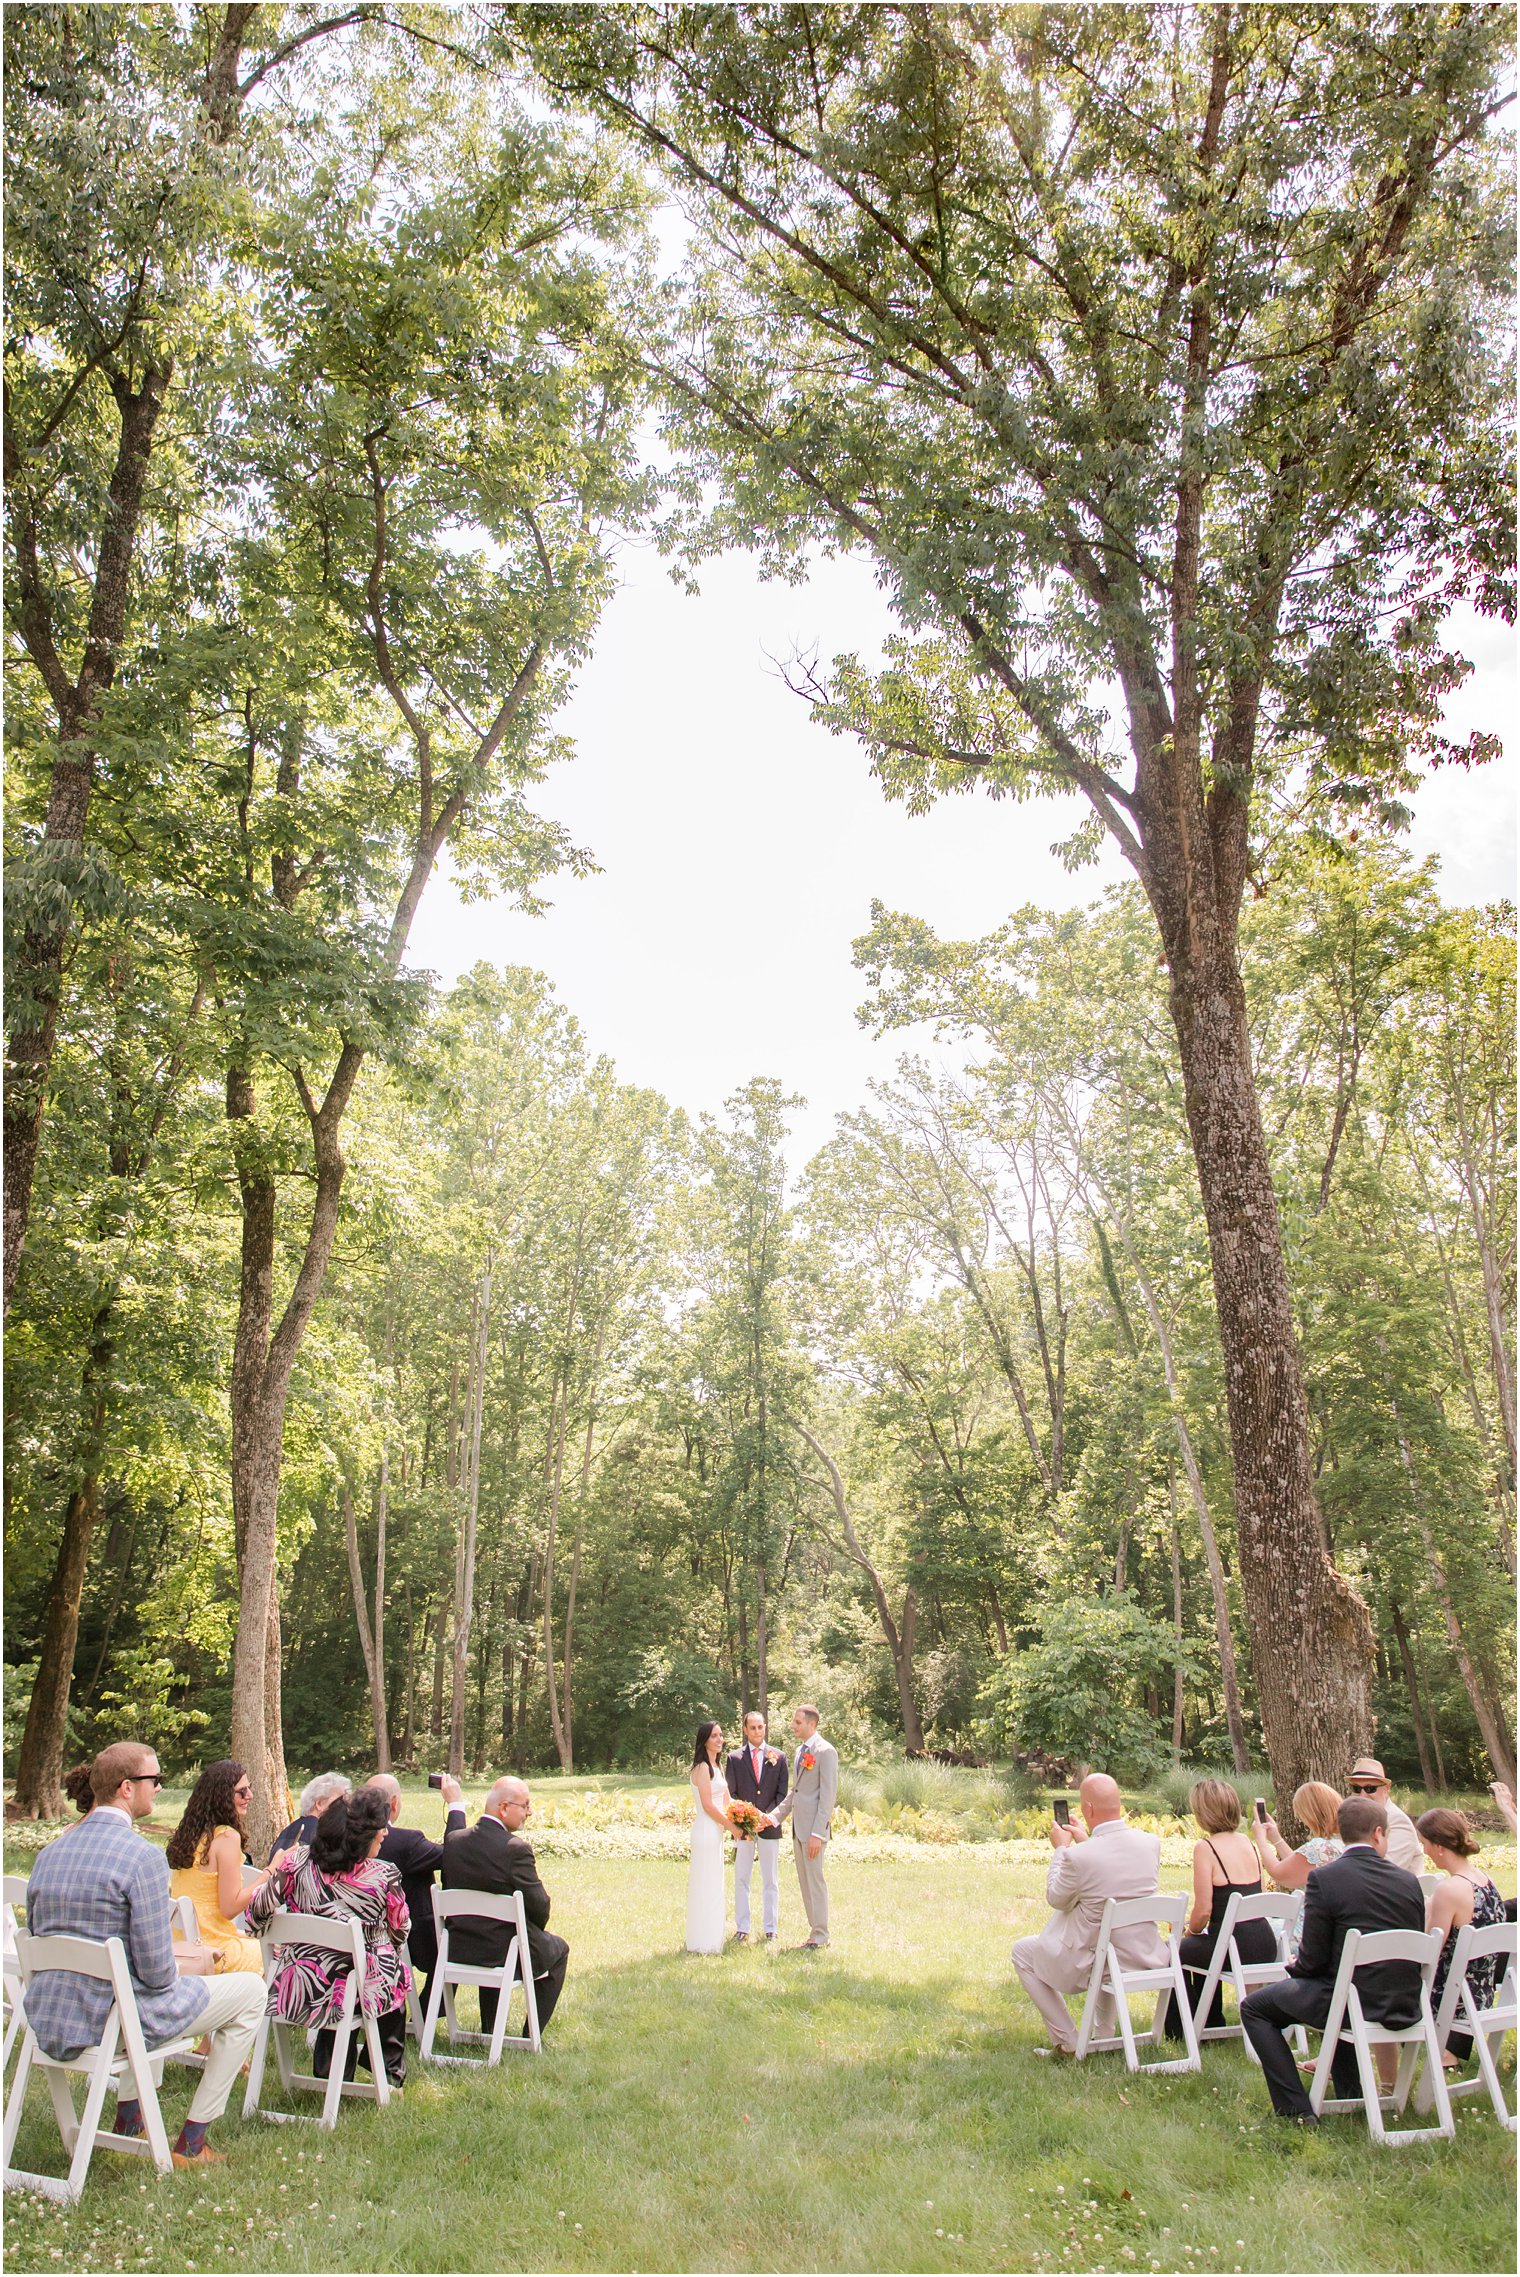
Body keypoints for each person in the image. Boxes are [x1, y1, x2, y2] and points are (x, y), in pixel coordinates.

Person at [22, 1741, 267, 2168]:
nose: (158, 1787)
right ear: (126, 1788)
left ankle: (130, 2118)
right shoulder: (141, 1858)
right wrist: (189, 1966)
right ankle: (192, 2142)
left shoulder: (48, 1855)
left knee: (143, 1994)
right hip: (113, 2021)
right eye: (154, 1779)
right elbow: (156, 1976)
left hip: (53, 2018)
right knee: (249, 1991)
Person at [1239, 1792, 1426, 2124]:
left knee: (1255, 2008)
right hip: (1405, 2000)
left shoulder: (1324, 1879)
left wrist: (1296, 1969)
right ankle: (1351, 2094)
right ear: (1379, 1833)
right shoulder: (1409, 1882)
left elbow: (1311, 1960)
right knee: (1335, 1988)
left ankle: (1295, 2109)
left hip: (1349, 2002)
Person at [243, 1785, 412, 2090]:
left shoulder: (294, 1863)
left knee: (343, 1975)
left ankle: (332, 2069)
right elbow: (400, 1928)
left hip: (294, 1986)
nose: (385, 1833)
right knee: (388, 1974)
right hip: (360, 1989)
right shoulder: (383, 1875)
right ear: (359, 1835)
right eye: (379, 1828)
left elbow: (256, 1910)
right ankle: (389, 2071)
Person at [1010, 1772, 1166, 2057]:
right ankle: (1103, 2034)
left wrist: (1060, 1849)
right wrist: (1086, 1840)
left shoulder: (1077, 1857)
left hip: (1095, 1960)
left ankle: (1068, 2040)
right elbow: (1111, 1870)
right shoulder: (1149, 1844)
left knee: (1022, 1951)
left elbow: (1056, 1898)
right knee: (1110, 1940)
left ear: (1089, 1809)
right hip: (1143, 1955)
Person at [438, 1777, 569, 2036]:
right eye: (526, 1805)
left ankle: (490, 2029)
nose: (529, 1812)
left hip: (455, 1948)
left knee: (499, 1935)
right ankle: (530, 2036)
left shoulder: (454, 1840)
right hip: (499, 1952)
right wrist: (534, 1928)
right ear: (505, 1807)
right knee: (559, 1950)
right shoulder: (515, 1849)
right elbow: (540, 1905)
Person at [1162, 1778, 1277, 2041]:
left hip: (1233, 1947)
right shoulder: (1247, 1843)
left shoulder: (1207, 1848)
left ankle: (1180, 2029)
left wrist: (1188, 1931)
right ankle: (1211, 2022)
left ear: (1203, 1814)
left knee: (1176, 1951)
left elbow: (1203, 1910)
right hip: (1263, 1941)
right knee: (1201, 1949)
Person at [167, 1759, 284, 1972]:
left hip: (183, 1946)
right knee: (285, 1956)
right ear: (223, 1796)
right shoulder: (226, 1837)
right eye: (242, 1791)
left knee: (265, 1944)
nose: (250, 1796)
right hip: (211, 1951)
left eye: (249, 1789)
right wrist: (271, 1870)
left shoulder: (190, 1836)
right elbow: (230, 1908)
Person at [363, 1772, 466, 2006]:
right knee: (458, 1937)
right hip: (409, 1938)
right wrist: (455, 1805)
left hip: (353, 1936)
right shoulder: (407, 1842)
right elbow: (454, 1856)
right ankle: (428, 2010)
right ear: (395, 1803)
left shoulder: (337, 1839)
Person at [1417, 1806, 1506, 2065]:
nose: (1424, 1851)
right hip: (1481, 1994)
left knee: (1374, 1983)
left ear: (1439, 1846)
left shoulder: (1450, 1890)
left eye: (1425, 1844)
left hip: (1449, 1998)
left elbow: (1429, 1952)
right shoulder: (1485, 1880)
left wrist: (1426, 1911)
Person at [766, 1704, 838, 1949]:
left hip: (814, 1831)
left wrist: (818, 1832)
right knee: (805, 1882)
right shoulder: (799, 1751)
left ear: (812, 1724)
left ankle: (821, 1936)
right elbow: (795, 1793)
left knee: (815, 1881)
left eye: (798, 1722)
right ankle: (815, 1933)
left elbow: (828, 1797)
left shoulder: (826, 1751)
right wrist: (774, 1817)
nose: (793, 1726)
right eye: (794, 1721)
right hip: (799, 1829)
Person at [1250, 1781, 1346, 1958]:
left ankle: (1256, 1984)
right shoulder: (1343, 1844)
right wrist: (1276, 1838)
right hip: (1337, 1931)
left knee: (1255, 1936)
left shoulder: (1318, 1848)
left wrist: (1260, 1840)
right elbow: (1298, 1865)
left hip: (1308, 1934)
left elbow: (1280, 1874)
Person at [728, 1711, 789, 1944]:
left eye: (760, 1727)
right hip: (743, 1827)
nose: (756, 1731)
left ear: (765, 1728)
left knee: (770, 1879)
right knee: (742, 1877)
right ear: (745, 1730)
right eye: (752, 1727)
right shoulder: (734, 1758)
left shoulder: (779, 1757)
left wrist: (768, 1817)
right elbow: (731, 1793)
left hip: (770, 1826)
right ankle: (742, 1927)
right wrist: (748, 1817)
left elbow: (783, 1793)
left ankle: (771, 1928)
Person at [685, 1720, 731, 1955]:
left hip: (716, 1831)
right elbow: (708, 1805)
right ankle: (701, 1941)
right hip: (705, 1830)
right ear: (704, 1740)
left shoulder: (717, 1765)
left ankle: (714, 1938)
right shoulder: (702, 1767)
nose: (719, 1739)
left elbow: (726, 1801)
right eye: (714, 1736)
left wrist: (746, 1817)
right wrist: (733, 1827)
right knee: (704, 1883)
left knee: (715, 1883)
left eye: (721, 1735)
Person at [1345, 1757, 1423, 1875]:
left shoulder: (1397, 1821)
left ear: (1386, 1789)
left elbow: (1386, 1871)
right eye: (1356, 1788)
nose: (1362, 1795)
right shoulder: (1355, 1820)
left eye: (1370, 1789)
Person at [269, 1770, 351, 1858]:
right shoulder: (320, 1834)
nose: (346, 1807)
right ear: (319, 1803)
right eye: (339, 1802)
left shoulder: (289, 1830)